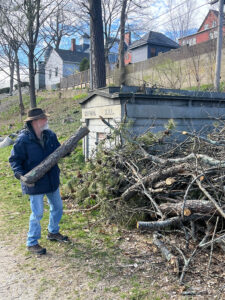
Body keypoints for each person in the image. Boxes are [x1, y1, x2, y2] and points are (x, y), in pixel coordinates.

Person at [9, 108, 68, 255]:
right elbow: (15, 160)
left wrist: (68, 150)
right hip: (34, 182)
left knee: (58, 208)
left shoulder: (50, 135)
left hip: (51, 180)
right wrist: (21, 176)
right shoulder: (23, 140)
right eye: (43, 118)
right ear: (34, 122)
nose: (46, 121)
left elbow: (59, 151)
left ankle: (53, 232)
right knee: (37, 213)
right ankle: (32, 242)